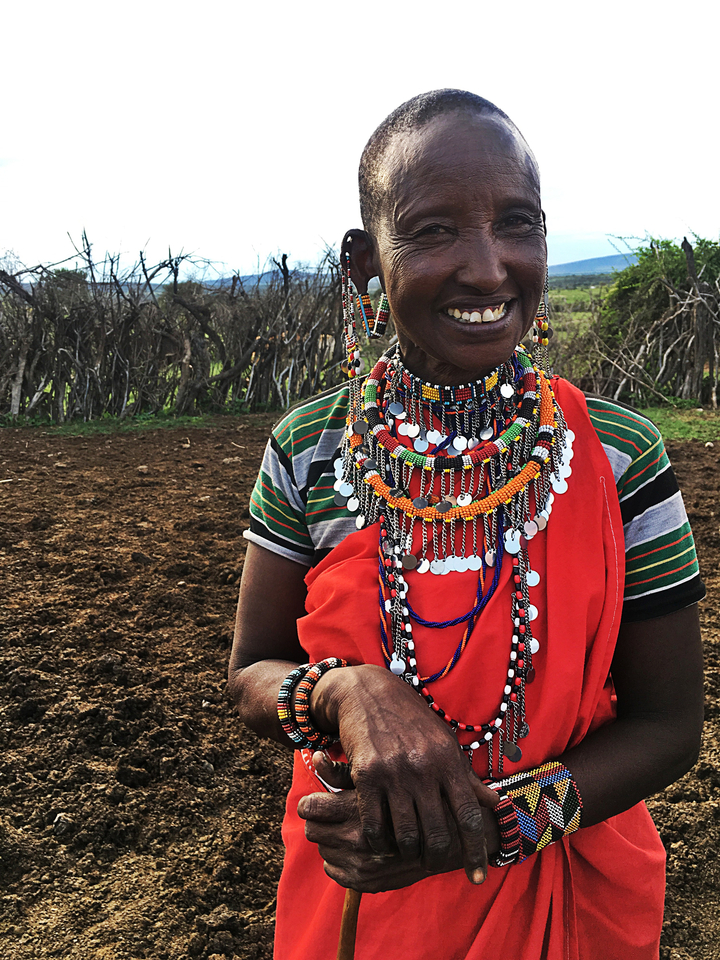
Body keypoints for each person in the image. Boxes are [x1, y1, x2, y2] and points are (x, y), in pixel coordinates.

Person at [227, 90, 705, 960]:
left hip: (570, 896)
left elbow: (671, 726)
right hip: (358, 899)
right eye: (435, 230)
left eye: (516, 223)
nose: (488, 268)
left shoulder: (621, 456)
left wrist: (501, 827)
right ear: (366, 264)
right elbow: (252, 671)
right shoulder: (307, 448)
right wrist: (348, 690)